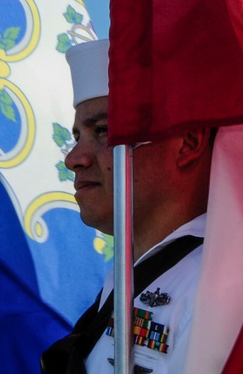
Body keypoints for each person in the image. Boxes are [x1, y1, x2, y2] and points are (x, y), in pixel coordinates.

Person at [41, 38, 213, 374]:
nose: (73, 159)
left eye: (104, 131)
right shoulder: (131, 277)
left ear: (188, 142)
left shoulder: (213, 286)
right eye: (78, 136)